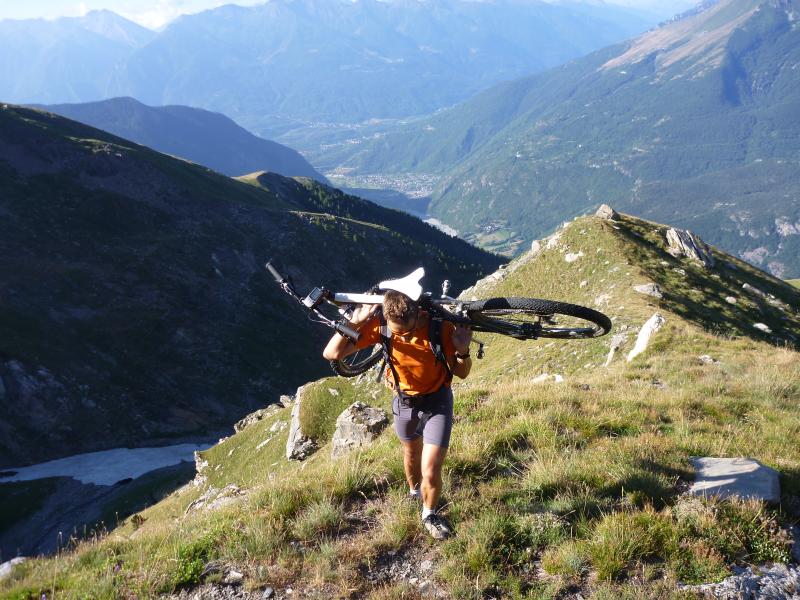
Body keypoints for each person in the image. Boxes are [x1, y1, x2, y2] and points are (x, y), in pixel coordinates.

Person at [323, 289, 472, 540]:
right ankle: (414, 492)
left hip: (438, 403)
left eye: (407, 329)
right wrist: (355, 322)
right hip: (404, 403)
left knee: (432, 468)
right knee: (411, 451)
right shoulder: (381, 328)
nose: (402, 335)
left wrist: (463, 351)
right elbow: (332, 354)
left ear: (416, 312)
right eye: (397, 330)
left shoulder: (440, 328)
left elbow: (463, 372)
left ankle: (429, 513)